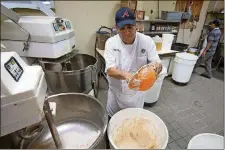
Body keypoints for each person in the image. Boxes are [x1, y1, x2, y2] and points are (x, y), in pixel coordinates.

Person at [104, 7, 162, 119]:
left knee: (134, 122)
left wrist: (156, 67)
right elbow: (110, 70)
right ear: (116, 28)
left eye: (130, 27)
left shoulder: (146, 41)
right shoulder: (111, 43)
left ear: (135, 25)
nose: (127, 32)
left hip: (137, 95)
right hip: (116, 94)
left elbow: (157, 63)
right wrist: (128, 75)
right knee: (113, 123)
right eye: (122, 28)